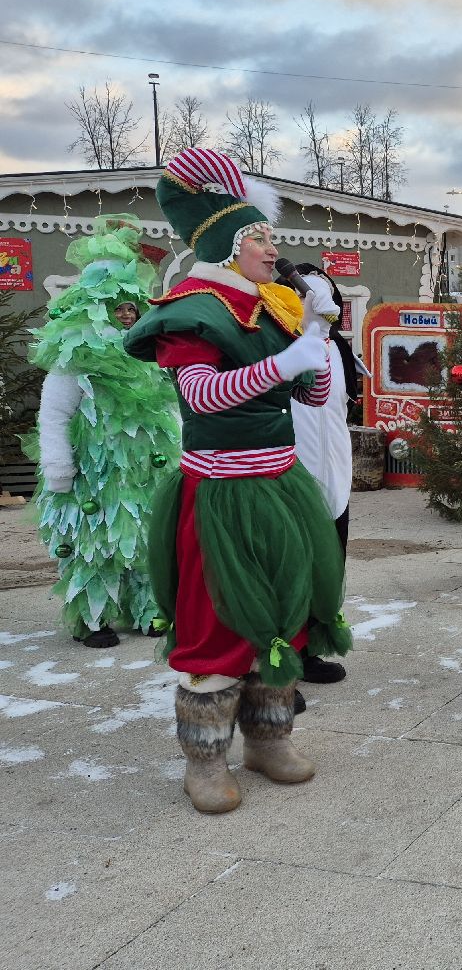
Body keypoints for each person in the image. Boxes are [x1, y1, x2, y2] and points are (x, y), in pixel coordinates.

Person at [124, 147, 350, 813]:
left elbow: (310, 399)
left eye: (270, 238)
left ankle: (268, 740)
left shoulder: (274, 307)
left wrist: (317, 343)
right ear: (227, 241)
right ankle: (203, 761)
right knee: (217, 624)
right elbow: (201, 396)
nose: (271, 250)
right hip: (221, 494)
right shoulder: (194, 308)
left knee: (283, 614)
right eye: (261, 238)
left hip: (279, 486)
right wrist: (283, 367)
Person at [26, 216, 181, 647]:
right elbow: (54, 416)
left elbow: (171, 407)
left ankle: (151, 610)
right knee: (96, 542)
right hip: (95, 476)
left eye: (132, 309)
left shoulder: (151, 357)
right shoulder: (74, 359)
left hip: (147, 471)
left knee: (150, 540)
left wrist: (182, 453)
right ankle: (93, 618)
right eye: (118, 310)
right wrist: (58, 466)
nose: (127, 317)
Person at [288, 262, 366, 686]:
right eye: (306, 297)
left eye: (326, 299)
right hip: (291, 467)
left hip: (335, 465)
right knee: (291, 562)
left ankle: (311, 645)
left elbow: (339, 406)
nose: (319, 308)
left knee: (328, 560)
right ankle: (284, 655)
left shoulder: (336, 349)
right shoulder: (280, 346)